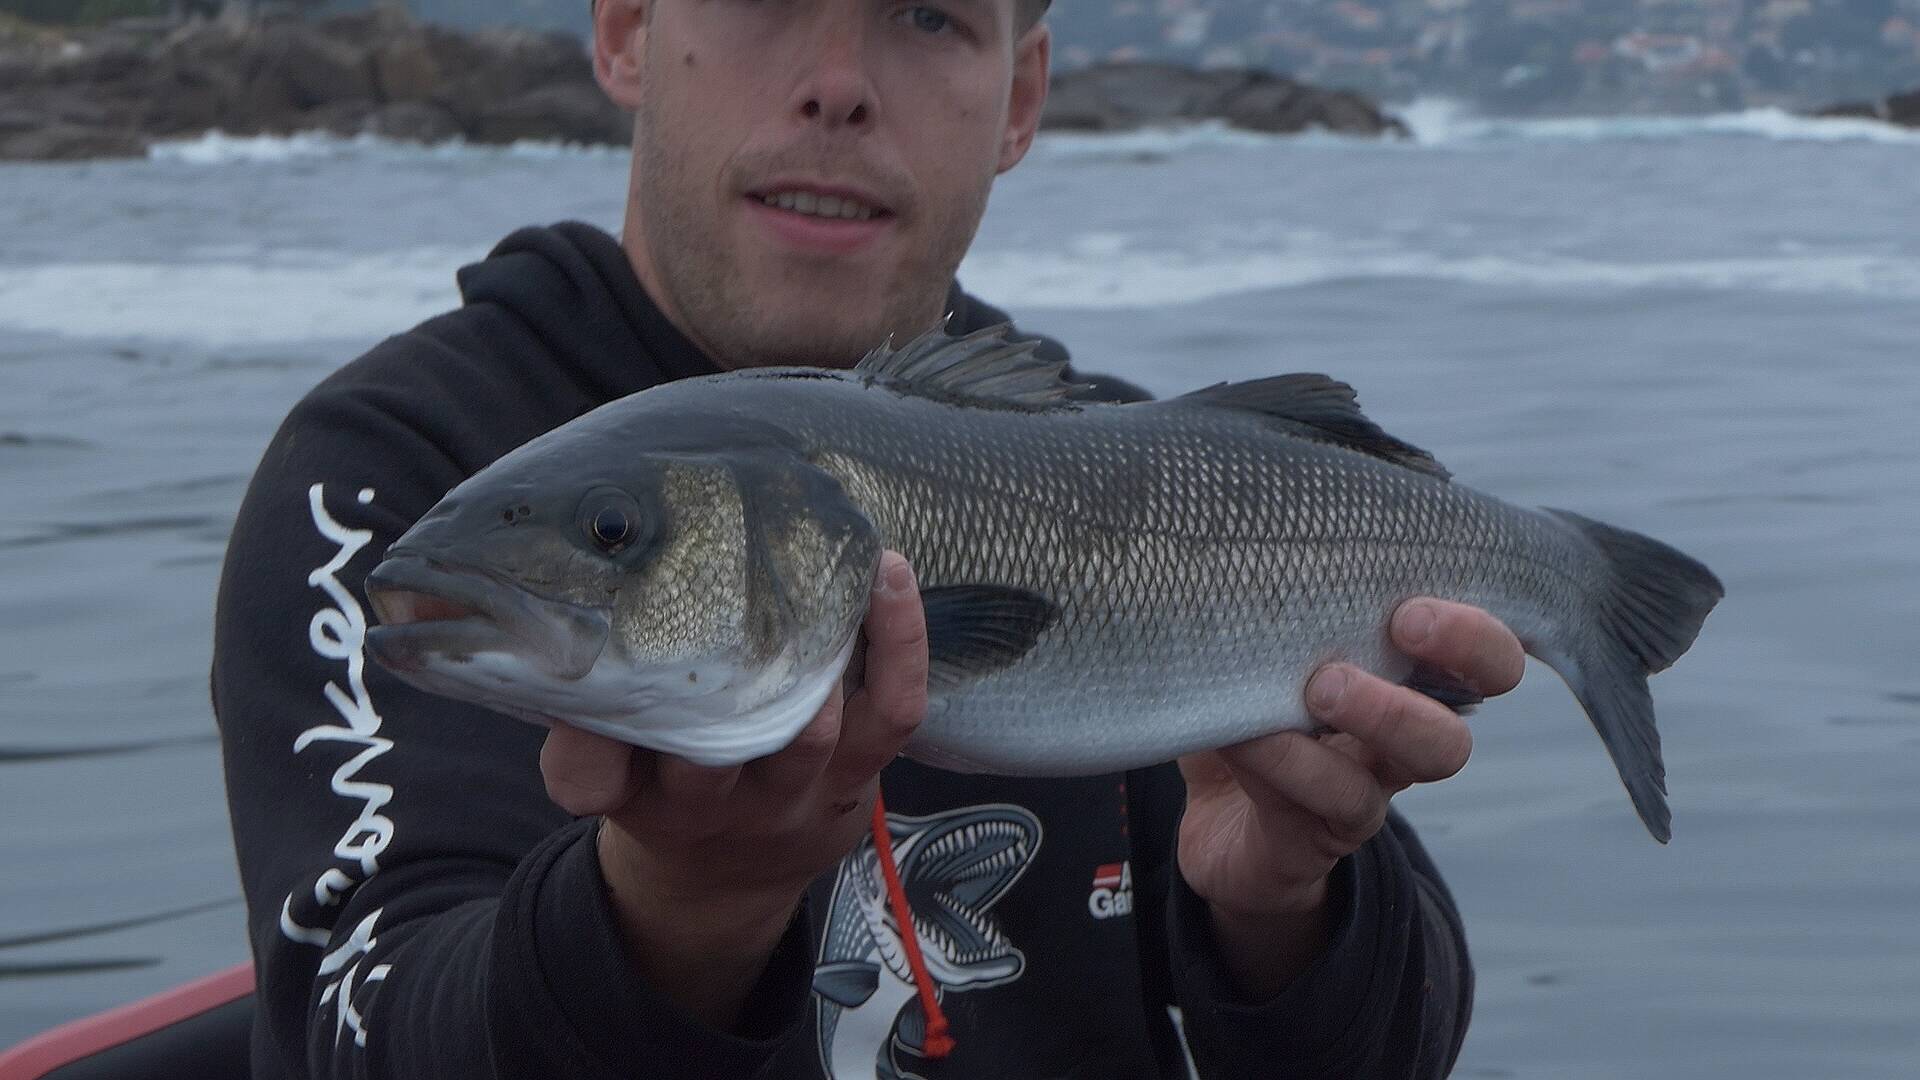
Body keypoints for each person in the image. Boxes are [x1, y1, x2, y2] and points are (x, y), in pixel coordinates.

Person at [212, 1, 1526, 1077]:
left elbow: (1391, 1054)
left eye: (928, 18)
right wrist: (680, 911)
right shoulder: (391, 476)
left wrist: (1286, 905)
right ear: (623, 30)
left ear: (1019, 97)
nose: (836, 84)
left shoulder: (1149, 489)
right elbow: (355, 1036)